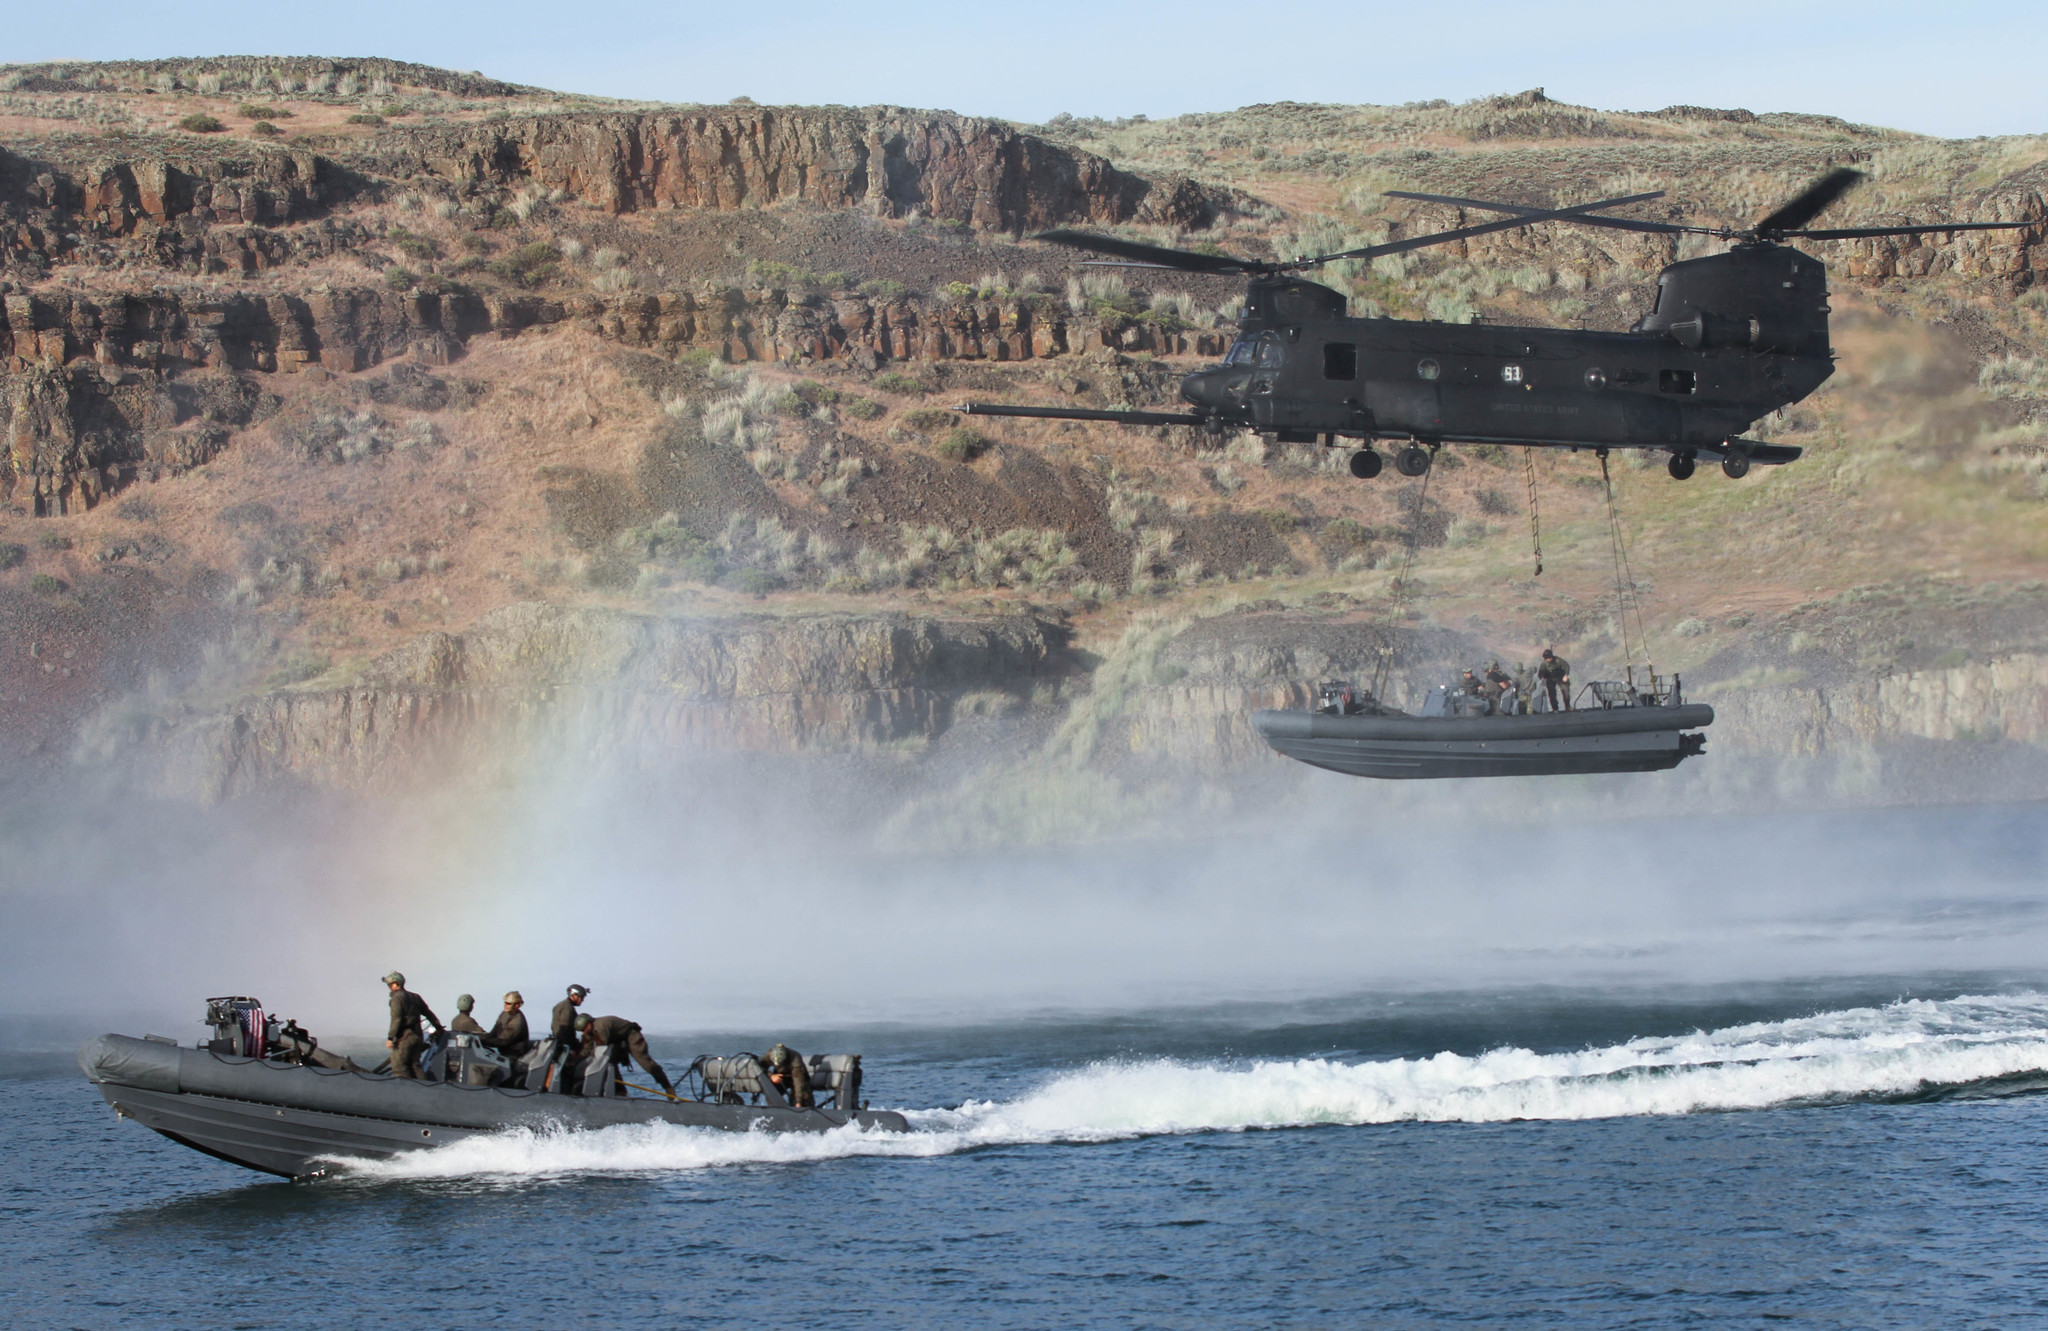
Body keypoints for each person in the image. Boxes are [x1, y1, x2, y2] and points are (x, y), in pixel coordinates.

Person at [573, 1013, 674, 1097]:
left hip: (631, 1036)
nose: (584, 1032)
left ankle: (668, 1087)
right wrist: (574, 1059)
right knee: (610, 1064)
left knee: (645, 1063)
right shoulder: (589, 1031)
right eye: (582, 1031)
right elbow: (587, 1049)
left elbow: (601, 1048)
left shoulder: (601, 1027)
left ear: (589, 1023)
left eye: (585, 1029)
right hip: (616, 1041)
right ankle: (621, 1093)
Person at [383, 971, 444, 1079]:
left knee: (399, 1067)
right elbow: (429, 1014)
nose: (389, 987)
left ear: (396, 984)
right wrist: (438, 1027)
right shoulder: (416, 997)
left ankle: (406, 1093)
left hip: (404, 1038)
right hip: (417, 1036)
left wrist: (391, 1038)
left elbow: (396, 1019)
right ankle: (424, 1090)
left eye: (390, 984)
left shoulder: (397, 998)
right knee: (415, 1065)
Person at [762, 1043, 814, 1109]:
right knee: (771, 1091)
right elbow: (760, 1067)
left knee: (804, 1097)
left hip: (798, 1078)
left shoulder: (795, 1058)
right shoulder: (769, 1054)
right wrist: (771, 1076)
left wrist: (798, 1101)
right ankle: (773, 1110)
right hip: (781, 1078)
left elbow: (798, 1082)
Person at [485, 991, 532, 1062]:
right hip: (503, 1052)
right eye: (505, 1002)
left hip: (513, 1055)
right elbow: (493, 1033)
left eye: (508, 1004)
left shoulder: (518, 1022)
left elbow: (503, 1041)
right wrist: (477, 1038)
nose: (505, 1005)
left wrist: (483, 1041)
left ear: (517, 1005)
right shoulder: (504, 1014)